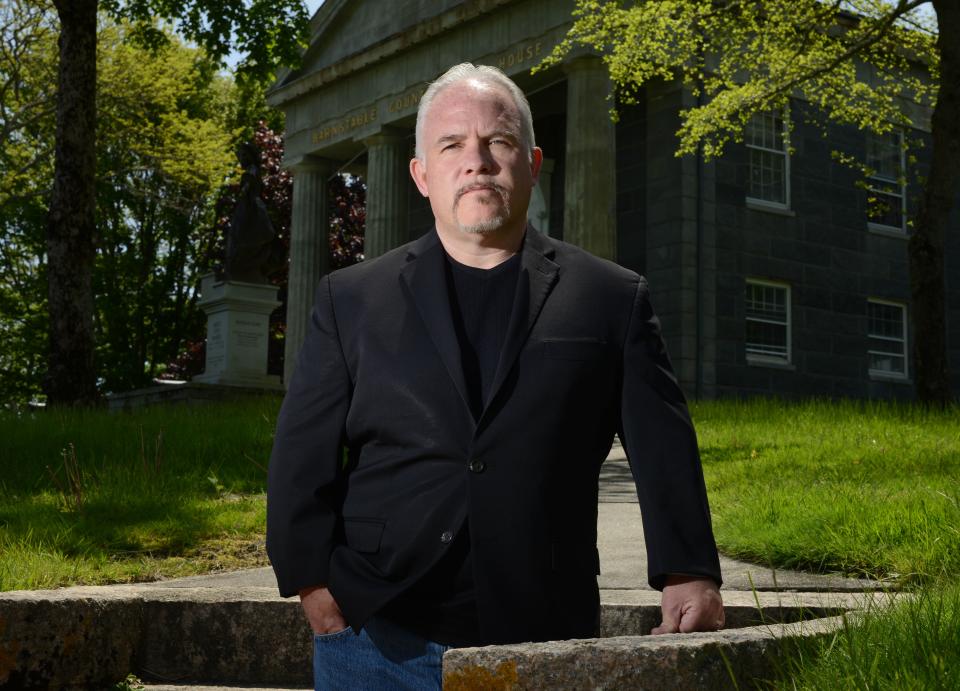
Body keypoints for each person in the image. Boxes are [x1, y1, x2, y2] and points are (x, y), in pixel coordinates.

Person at [267, 62, 724, 691]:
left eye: (498, 141)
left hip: (544, 628)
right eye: (451, 144)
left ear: (532, 163)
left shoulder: (611, 297)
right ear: (421, 174)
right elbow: (301, 454)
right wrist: (311, 584)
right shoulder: (350, 299)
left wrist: (688, 569)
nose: (476, 160)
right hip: (375, 631)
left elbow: (663, 446)